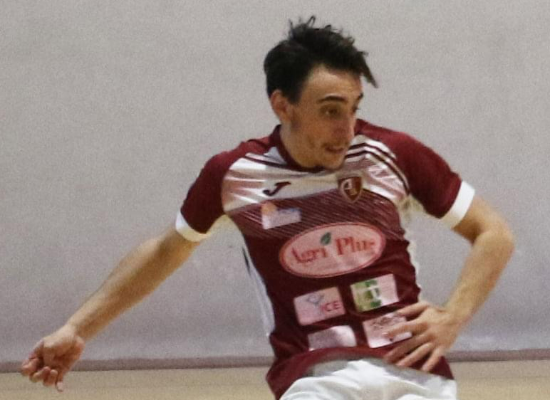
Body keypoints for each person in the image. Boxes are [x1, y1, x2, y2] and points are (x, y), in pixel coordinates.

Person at [21, 16, 514, 399]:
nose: (346, 129)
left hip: (414, 374)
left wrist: (453, 316)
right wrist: (75, 328)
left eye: (354, 108)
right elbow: (166, 251)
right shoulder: (235, 175)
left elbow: (493, 233)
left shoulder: (393, 154)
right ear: (283, 105)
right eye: (330, 110)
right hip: (315, 378)